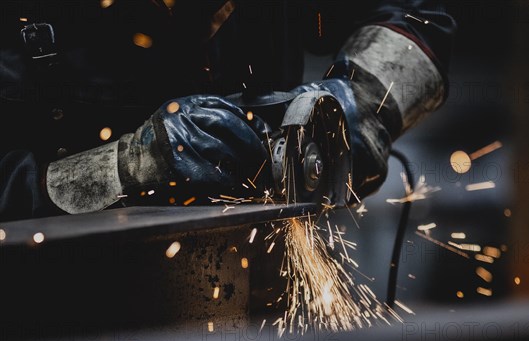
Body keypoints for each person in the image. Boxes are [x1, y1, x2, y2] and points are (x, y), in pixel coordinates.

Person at [0, 0, 455, 222]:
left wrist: (366, 101)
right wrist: (116, 170)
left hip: (258, 277)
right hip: (55, 303)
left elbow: (419, 13)